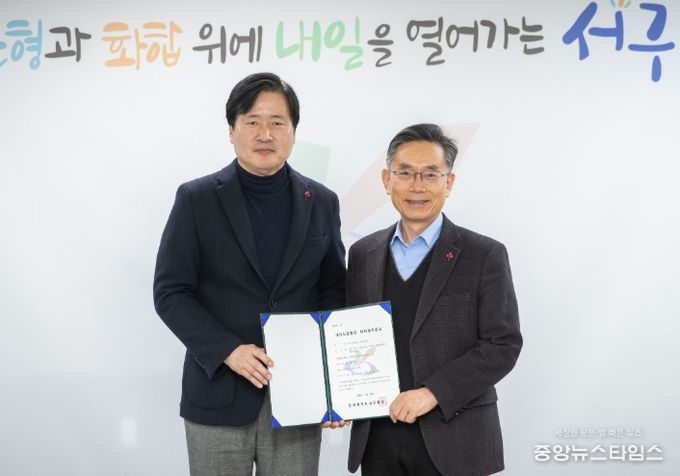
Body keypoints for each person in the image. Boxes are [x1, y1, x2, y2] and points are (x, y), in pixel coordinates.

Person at [153, 72, 346, 476]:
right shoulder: (196, 199)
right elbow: (171, 292)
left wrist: (333, 387)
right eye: (252, 121)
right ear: (231, 130)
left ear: (293, 131)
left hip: (298, 400)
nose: (265, 134)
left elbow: (332, 292)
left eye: (277, 122)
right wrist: (229, 350)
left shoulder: (322, 201)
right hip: (217, 396)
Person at [346, 123, 522, 476]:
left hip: (456, 438)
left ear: (449, 183)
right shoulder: (363, 253)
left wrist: (432, 393)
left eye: (430, 174)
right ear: (386, 180)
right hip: (378, 438)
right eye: (405, 173)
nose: (417, 186)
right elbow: (350, 337)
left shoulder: (483, 254)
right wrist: (339, 397)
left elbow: (503, 345)